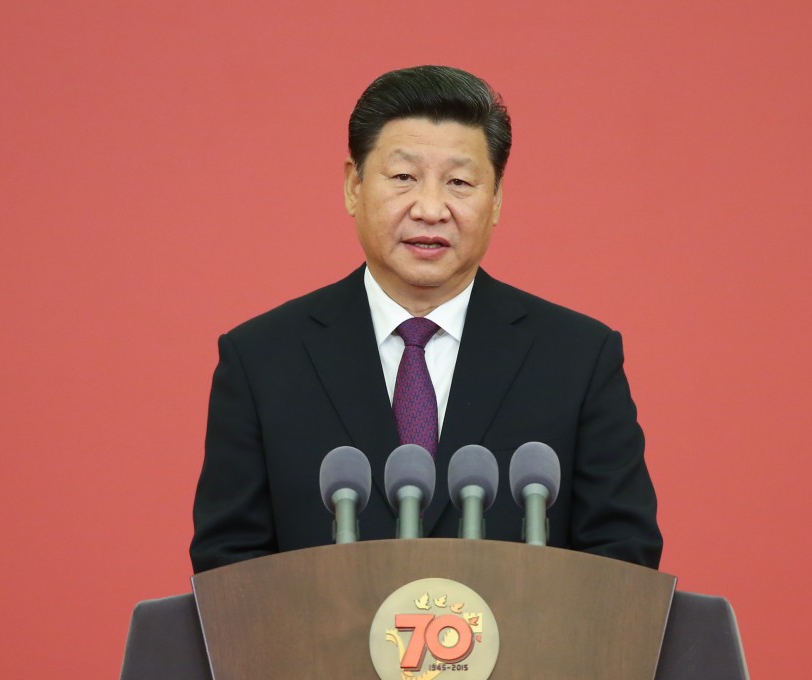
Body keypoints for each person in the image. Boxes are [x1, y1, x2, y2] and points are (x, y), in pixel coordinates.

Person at [190, 65, 661, 574]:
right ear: (354, 185)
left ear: (497, 198)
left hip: (525, 655)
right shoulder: (262, 359)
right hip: (323, 653)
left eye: (459, 182)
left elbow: (624, 562)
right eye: (403, 178)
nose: (431, 209)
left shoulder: (577, 358)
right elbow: (227, 569)